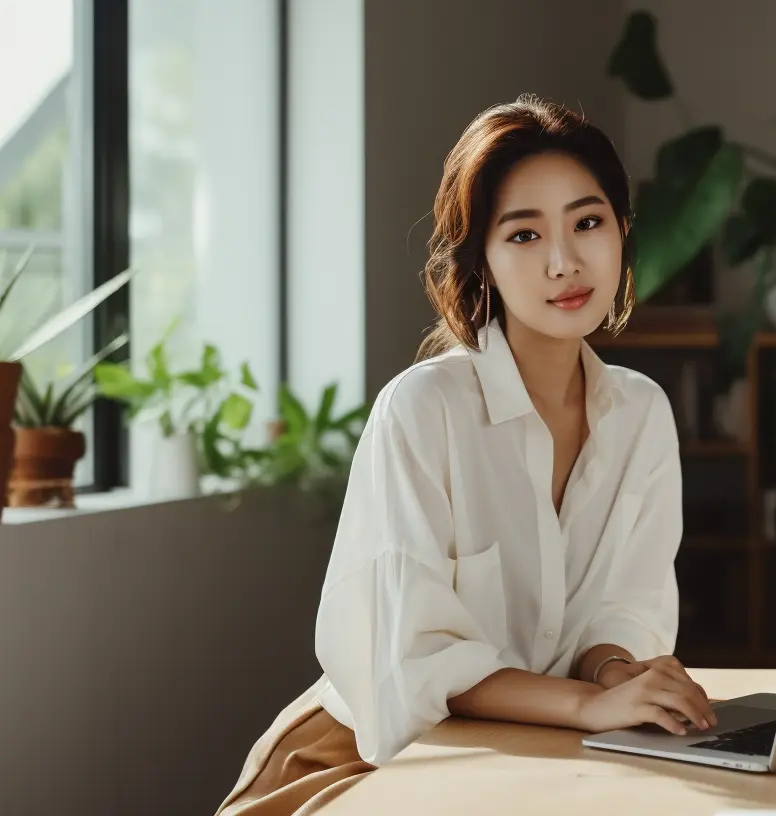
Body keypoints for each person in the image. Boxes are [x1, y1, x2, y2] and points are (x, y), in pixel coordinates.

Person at [216, 94, 717, 816]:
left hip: (549, 754)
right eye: (522, 235)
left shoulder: (640, 412)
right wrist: (586, 706)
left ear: (621, 233)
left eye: (588, 222)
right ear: (478, 258)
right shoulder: (423, 412)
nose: (564, 262)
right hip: (374, 755)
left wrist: (616, 676)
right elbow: (418, 664)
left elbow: (624, 607)